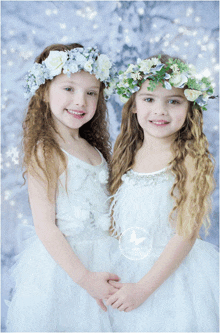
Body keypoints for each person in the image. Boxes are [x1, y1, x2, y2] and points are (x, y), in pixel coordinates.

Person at [6, 43, 121, 332]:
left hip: (108, 258)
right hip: (69, 270)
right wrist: (85, 279)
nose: (80, 101)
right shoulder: (46, 151)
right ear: (44, 92)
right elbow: (46, 226)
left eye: (91, 93)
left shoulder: (93, 149)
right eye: (69, 89)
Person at [107, 54, 219, 332]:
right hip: (126, 269)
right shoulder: (125, 154)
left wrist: (143, 289)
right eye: (149, 99)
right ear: (133, 104)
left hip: (171, 276)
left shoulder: (190, 159)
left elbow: (186, 232)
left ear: (189, 106)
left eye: (173, 101)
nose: (160, 111)